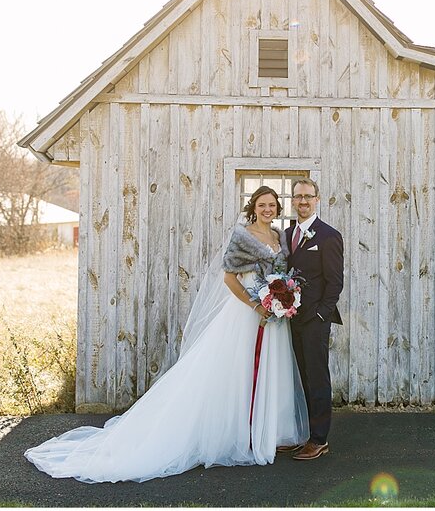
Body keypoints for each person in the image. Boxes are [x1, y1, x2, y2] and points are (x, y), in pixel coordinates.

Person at [24, 186, 308, 482]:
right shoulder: (243, 236)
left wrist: (282, 299)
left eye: (272, 205)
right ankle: (236, 432)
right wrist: (254, 304)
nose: (268, 209)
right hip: (247, 318)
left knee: (272, 372)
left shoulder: (278, 236)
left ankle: (270, 431)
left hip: (274, 319)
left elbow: (280, 276)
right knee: (235, 373)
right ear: (253, 207)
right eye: (262, 204)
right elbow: (228, 278)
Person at [285, 177, 344, 461]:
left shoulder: (328, 236)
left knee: (317, 377)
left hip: (315, 321)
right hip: (290, 319)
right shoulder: (287, 235)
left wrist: (321, 314)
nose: (303, 201)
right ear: (293, 201)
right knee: (300, 377)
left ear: (317, 199)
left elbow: (335, 282)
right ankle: (304, 434)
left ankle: (319, 439)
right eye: (298, 197)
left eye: (308, 196)